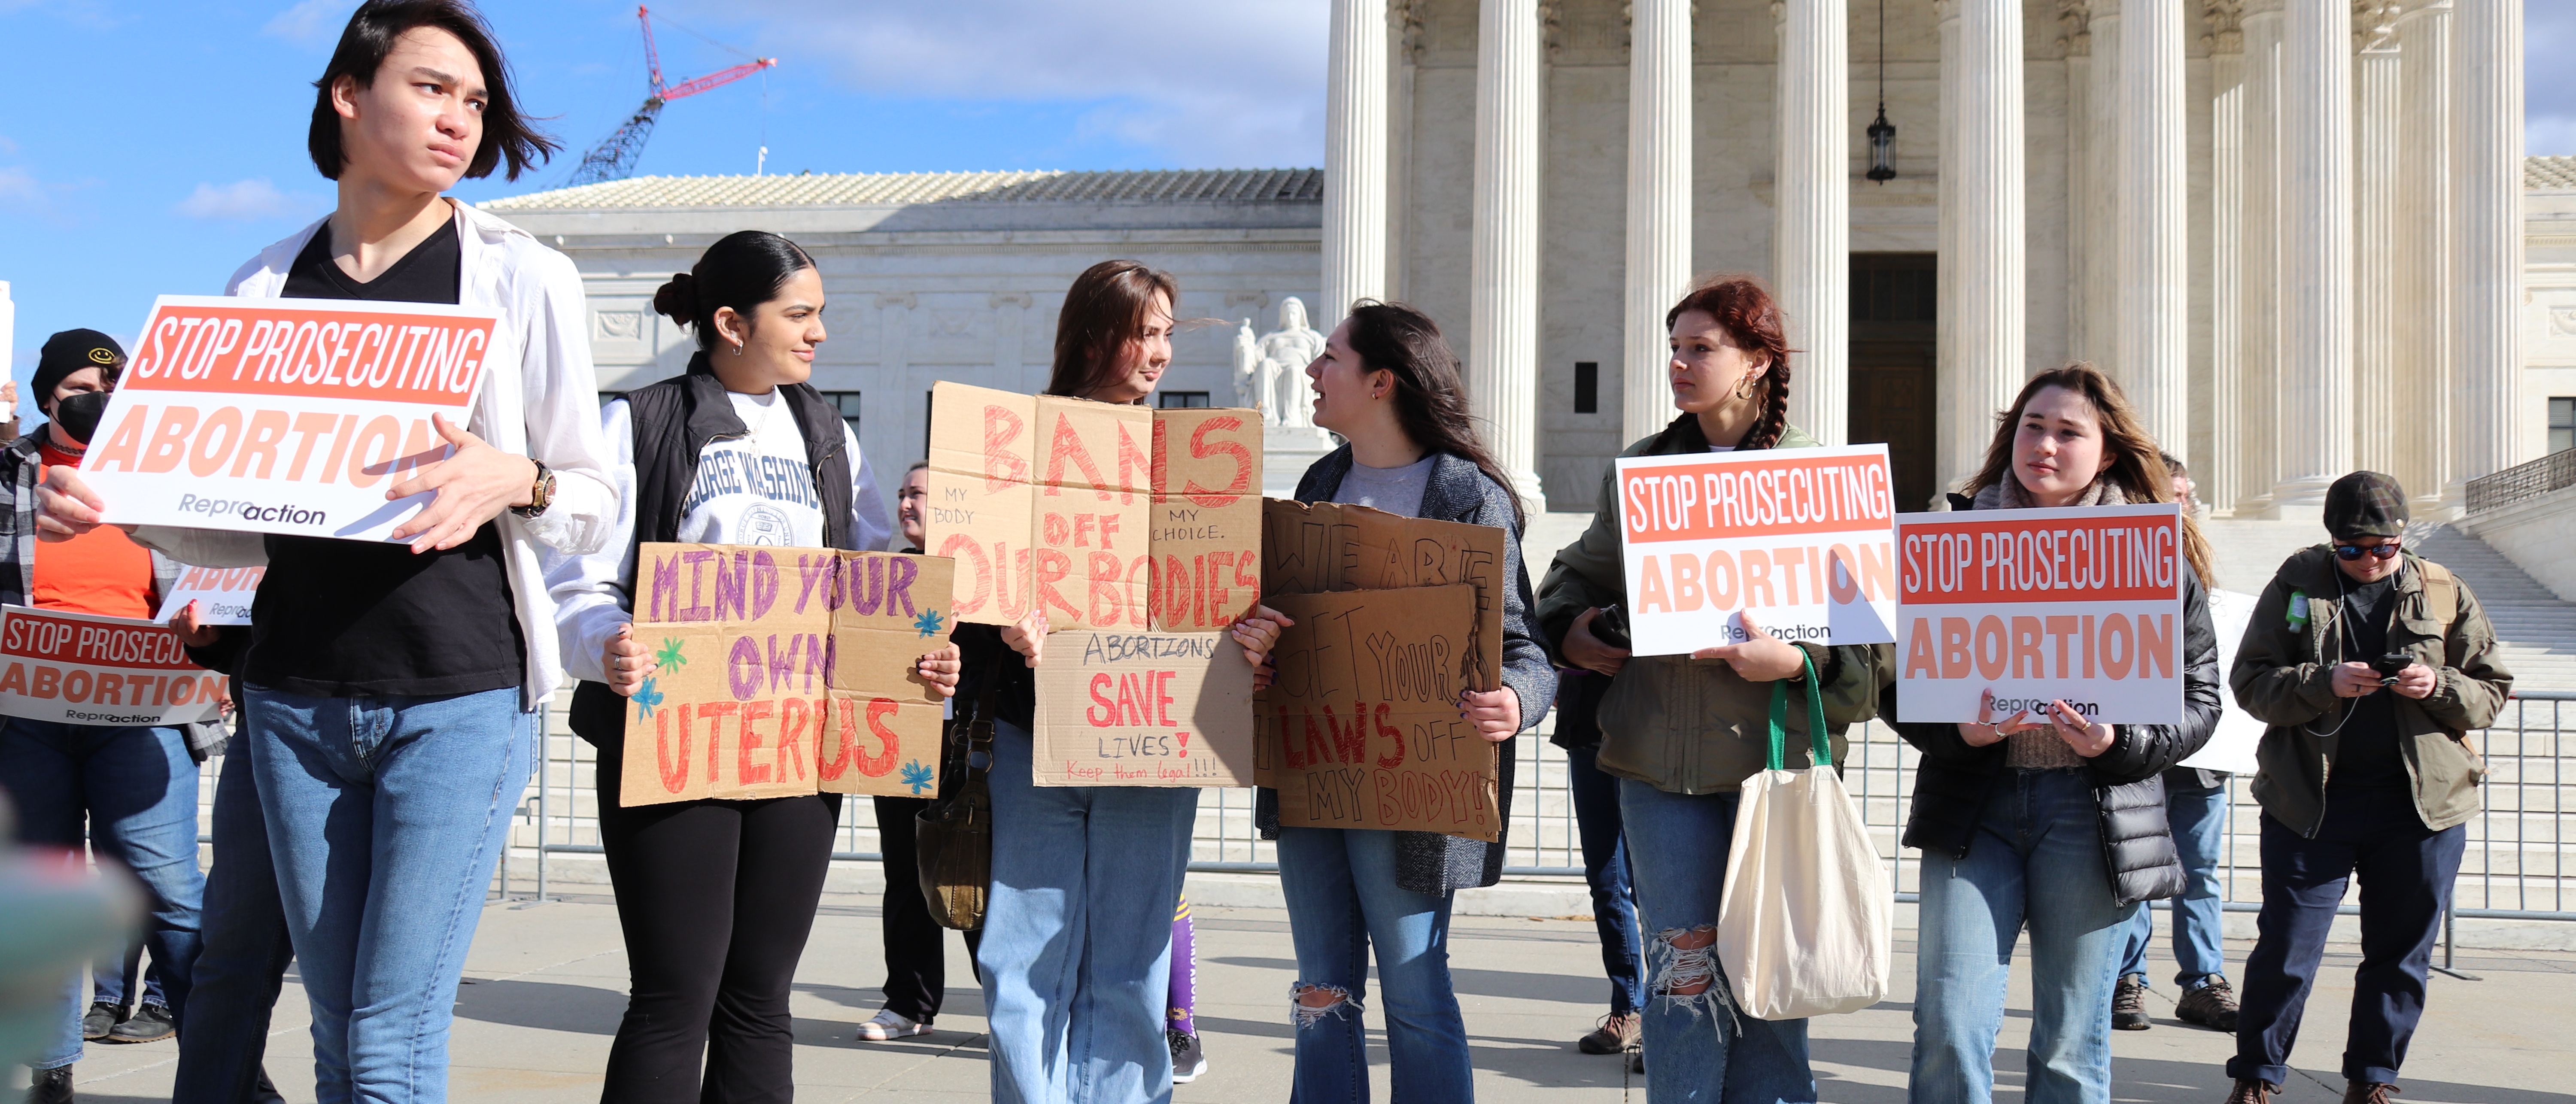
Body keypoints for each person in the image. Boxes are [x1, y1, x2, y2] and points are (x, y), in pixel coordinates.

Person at [37, 3, 617, 1098]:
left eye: (476, 102)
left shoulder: (522, 275)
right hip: (293, 700)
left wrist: (522, 477)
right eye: (434, 88)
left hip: (458, 694)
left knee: (391, 1033)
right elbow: (228, 516)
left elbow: (590, 497)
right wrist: (119, 503)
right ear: (350, 95)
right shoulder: (261, 286)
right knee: (340, 1024)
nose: (461, 120)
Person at [547, 230, 957, 1100]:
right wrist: (610, 643)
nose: (818, 334)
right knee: (674, 996)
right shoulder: (642, 422)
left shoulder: (828, 434)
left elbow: (875, 575)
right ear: (731, 322)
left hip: (796, 750)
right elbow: (576, 581)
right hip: (671, 739)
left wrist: (924, 651)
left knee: (759, 998)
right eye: (800, 314)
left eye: (821, 315)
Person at [1536, 276, 1887, 1102]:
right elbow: (1567, 581)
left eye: (1702, 348)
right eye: (1676, 347)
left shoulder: (1818, 477)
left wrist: (1795, 665)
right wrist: (1574, 634)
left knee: (1770, 975)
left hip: (1774, 771)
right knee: (1681, 978)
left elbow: (1873, 666)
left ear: (1758, 361)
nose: (1680, 364)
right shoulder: (1643, 472)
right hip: (1657, 768)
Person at [955, 258, 1279, 1104]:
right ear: (1095, 334)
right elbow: (967, 584)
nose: (1161, 352)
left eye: (1170, 332)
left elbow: (1215, 596)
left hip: (1154, 735)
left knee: (1134, 958)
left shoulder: (1191, 467)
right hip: (1034, 736)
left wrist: (1243, 630)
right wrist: (1004, 618)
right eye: (1147, 331)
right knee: (1022, 958)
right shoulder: (1013, 450)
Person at [1883, 363, 2221, 1104]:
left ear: (2106, 453)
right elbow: (1893, 682)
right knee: (1947, 1019)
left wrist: (2117, 743)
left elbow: (2201, 700)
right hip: (1978, 809)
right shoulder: (1954, 542)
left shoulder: (2153, 557)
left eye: (2070, 432)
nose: (2046, 443)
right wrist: (1957, 728)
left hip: (2090, 813)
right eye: (2032, 426)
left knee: (2072, 1039)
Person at [1256, 298, 1552, 1103]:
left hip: (1413, 791)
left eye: (1330, 358)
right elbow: (1289, 624)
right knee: (1321, 992)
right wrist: (1257, 643)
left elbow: (1527, 651)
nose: (1311, 373)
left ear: (1380, 381)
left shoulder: (1469, 496)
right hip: (1314, 772)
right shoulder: (1318, 481)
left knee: (1415, 995)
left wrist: (1515, 703)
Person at [2222, 471, 2510, 1104]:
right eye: (2353, 549)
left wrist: (2437, 687)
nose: (2371, 561)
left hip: (2421, 808)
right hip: (2313, 802)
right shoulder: (2297, 584)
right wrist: (2325, 682)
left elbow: (2490, 693)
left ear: (2403, 540)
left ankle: (2374, 1078)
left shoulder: (2442, 589)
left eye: (2384, 547)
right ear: (2332, 543)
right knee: (2287, 948)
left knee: (2402, 952)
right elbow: (2250, 683)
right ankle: (2256, 1076)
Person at [0, 330, 220, 1103]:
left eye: (114, 384)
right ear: (47, 396)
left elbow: (216, 570)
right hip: (26, 714)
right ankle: (52, 1064)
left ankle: (218, 1057)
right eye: (82, 387)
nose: (100, 398)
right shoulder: (7, 472)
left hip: (145, 708)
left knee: (168, 884)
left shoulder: (162, 470)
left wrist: (219, 641)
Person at [856, 458, 987, 1043]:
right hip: (903, 743)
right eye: (904, 493)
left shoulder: (986, 581)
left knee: (978, 875)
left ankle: (1010, 1006)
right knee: (905, 873)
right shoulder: (887, 578)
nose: (907, 504)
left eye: (921, 495)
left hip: (973, 750)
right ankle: (909, 1003)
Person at [2111, 452, 2239, 1035]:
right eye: (2168, 494)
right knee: (2136, 865)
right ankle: (2127, 979)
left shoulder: (2207, 570)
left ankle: (2203, 981)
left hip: (2203, 752)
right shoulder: (2117, 560)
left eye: (2185, 496)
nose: (2178, 506)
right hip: (2138, 745)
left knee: (2200, 869)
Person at [1549, 669, 1646, 1057]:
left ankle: (1668, 1016)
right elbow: (1549, 622)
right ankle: (1628, 1009)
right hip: (1588, 726)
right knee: (1606, 882)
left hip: (1648, 734)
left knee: (1655, 887)